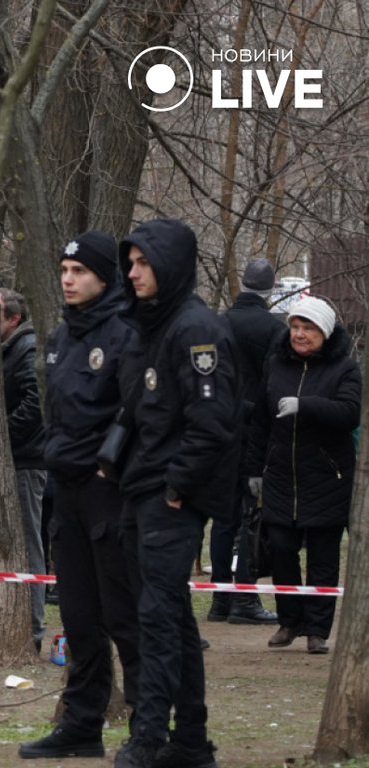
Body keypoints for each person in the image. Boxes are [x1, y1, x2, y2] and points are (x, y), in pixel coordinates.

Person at [113, 218, 238, 768]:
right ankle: (190, 741)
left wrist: (177, 486)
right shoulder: (147, 325)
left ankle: (149, 737)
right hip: (142, 487)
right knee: (173, 619)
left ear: (169, 265)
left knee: (158, 618)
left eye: (144, 263)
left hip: (171, 496)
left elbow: (212, 422)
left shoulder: (196, 329)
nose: (133, 273)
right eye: (130, 263)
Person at [19, 232, 141, 760]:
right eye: (64, 270)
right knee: (78, 617)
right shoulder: (61, 335)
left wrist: (107, 464)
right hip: (65, 488)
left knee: (124, 615)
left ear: (104, 277)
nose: (68, 280)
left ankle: (148, 727)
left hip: (109, 492)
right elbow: (57, 410)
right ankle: (82, 723)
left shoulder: (126, 332)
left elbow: (136, 411)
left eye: (80, 271)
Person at [245, 295, 360, 655]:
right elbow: (260, 422)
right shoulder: (276, 365)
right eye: (294, 327)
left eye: (307, 328)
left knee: (323, 558)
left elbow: (349, 413)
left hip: (327, 477)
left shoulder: (345, 368)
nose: (299, 334)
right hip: (281, 477)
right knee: (281, 550)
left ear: (324, 332)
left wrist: (305, 406)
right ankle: (289, 621)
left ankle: (317, 630)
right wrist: (254, 469)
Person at [211, 259, 284, 625]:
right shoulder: (274, 328)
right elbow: (274, 383)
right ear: (270, 289)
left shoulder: (218, 324)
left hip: (219, 429)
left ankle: (220, 598)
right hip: (255, 431)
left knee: (223, 518)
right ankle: (244, 596)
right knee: (249, 516)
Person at [0, 287, 48, 651]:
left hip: (25, 461)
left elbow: (36, 402)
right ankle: (2, 623)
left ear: (13, 318)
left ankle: (32, 629)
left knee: (26, 543)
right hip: (7, 460)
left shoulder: (27, 347)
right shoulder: (5, 349)